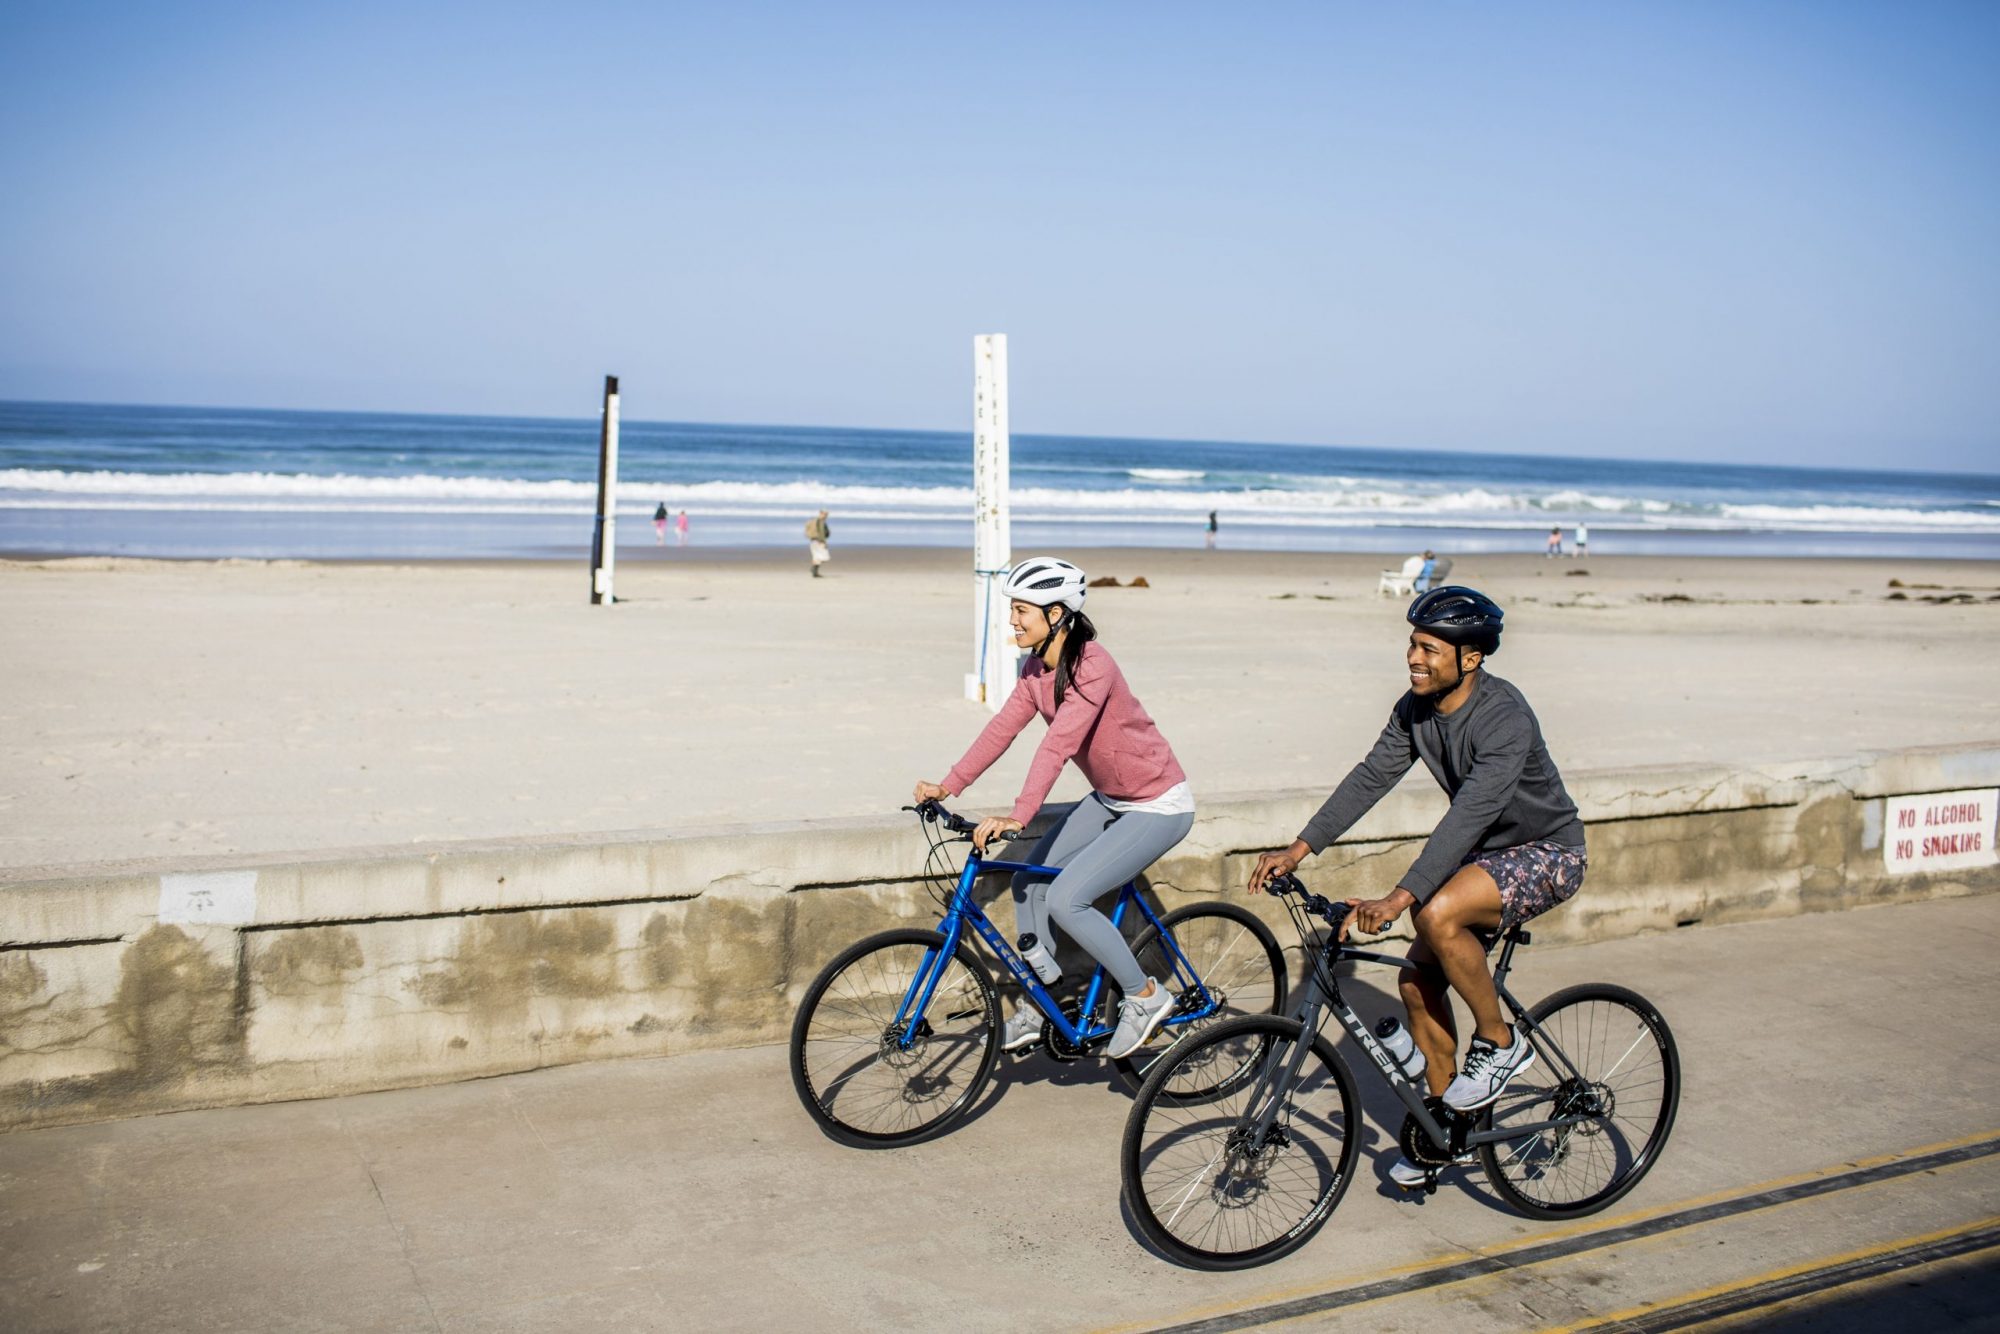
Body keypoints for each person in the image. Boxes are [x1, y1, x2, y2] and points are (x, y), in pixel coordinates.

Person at [1248, 586, 1586, 1189]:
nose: (1414, 658)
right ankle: (1445, 1129)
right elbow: (1372, 775)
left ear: (1470, 658)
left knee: (1437, 916)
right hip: (1486, 856)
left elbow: (1471, 815)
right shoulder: (1416, 709)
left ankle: (1500, 1043)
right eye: (1412, 645)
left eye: (1429, 648)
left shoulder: (1504, 716)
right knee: (1414, 982)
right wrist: (1300, 848)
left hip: (1547, 852)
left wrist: (1401, 897)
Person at [913, 557, 1193, 1060]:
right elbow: (1003, 728)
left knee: (1067, 900)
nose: (1013, 620)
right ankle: (1044, 1001)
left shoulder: (1094, 666)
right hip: (1110, 799)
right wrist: (949, 785)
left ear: (1057, 613)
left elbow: (1057, 745)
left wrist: (1019, 815)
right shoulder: (1035, 668)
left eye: (1022, 610)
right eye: (1013, 610)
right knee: (1029, 883)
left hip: (1157, 804)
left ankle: (1146, 996)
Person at [805, 509, 831, 577]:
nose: (826, 516)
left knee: (816, 556)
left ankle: (815, 571)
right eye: (825, 514)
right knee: (824, 557)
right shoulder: (820, 522)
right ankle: (814, 568)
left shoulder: (812, 521)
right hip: (818, 540)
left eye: (827, 515)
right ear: (821, 513)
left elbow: (807, 529)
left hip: (813, 540)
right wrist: (823, 541)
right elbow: (821, 532)